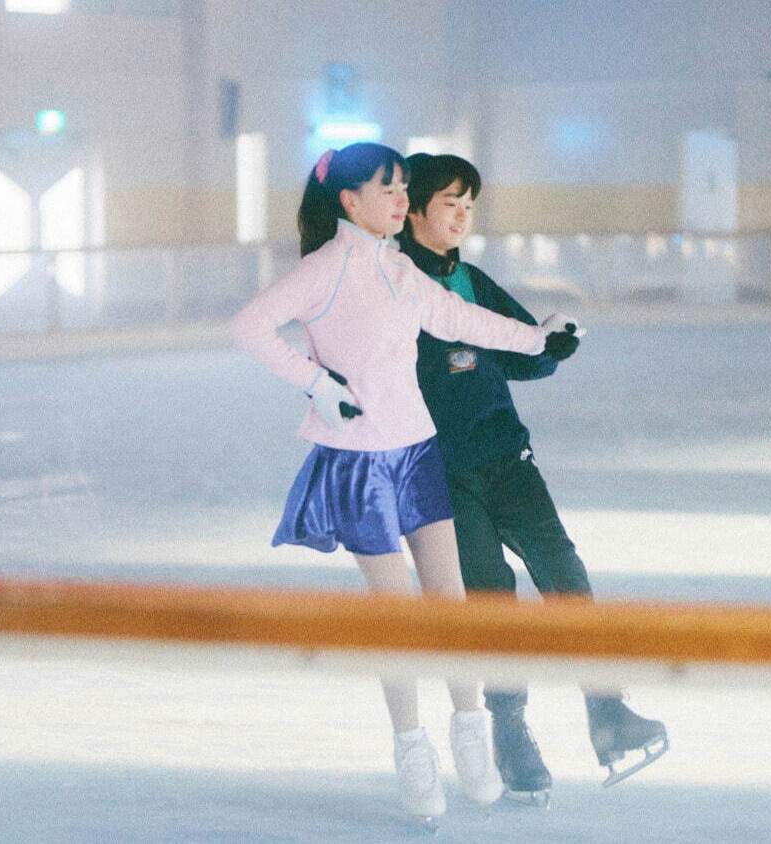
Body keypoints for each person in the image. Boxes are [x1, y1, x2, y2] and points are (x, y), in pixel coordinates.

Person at [232, 142, 568, 825]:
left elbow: (457, 317)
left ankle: (469, 731)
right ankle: (412, 747)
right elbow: (250, 326)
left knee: (449, 600)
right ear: (350, 200)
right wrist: (317, 385)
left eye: (404, 189)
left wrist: (538, 340)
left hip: (417, 450)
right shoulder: (323, 270)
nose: (400, 200)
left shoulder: (396, 266)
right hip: (360, 463)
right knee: (398, 614)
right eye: (388, 189)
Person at [399, 152, 668, 803]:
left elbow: (524, 351)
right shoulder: (397, 286)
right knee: (492, 598)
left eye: (469, 205)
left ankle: (607, 710)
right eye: (450, 203)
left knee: (564, 571)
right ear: (413, 212)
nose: (462, 216)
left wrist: (554, 347)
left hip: (508, 460)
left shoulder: (473, 281)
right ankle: (510, 731)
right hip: (442, 475)